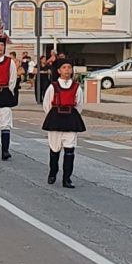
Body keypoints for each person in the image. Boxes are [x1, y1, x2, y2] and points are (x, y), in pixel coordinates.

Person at [42, 59, 86, 188]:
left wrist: (72, 116)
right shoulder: (53, 86)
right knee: (55, 148)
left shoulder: (76, 87)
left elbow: (79, 104)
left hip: (70, 118)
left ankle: (67, 178)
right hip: (55, 118)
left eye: (69, 67)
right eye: (64, 67)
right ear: (59, 71)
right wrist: (52, 117)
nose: (67, 70)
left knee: (70, 149)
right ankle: (53, 171)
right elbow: (47, 104)